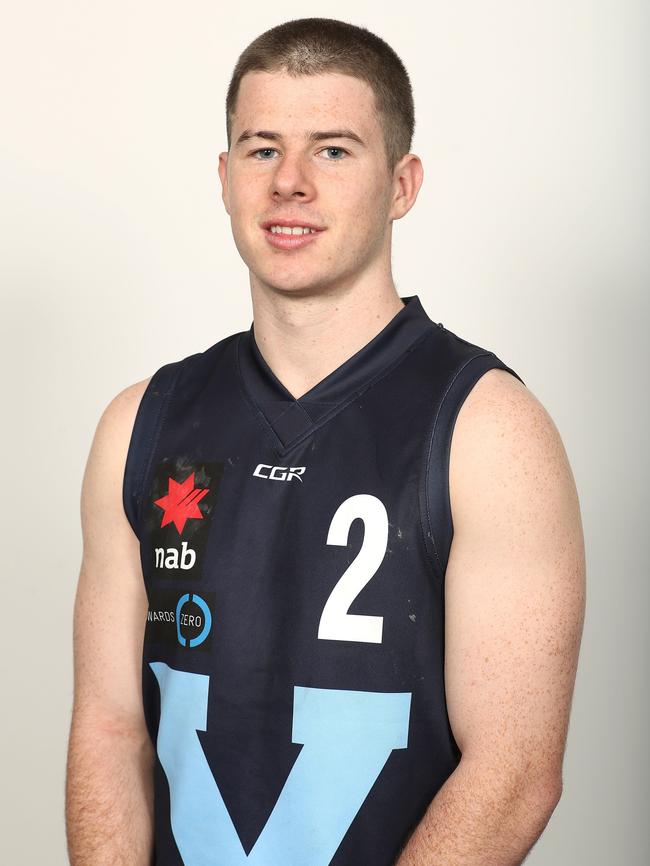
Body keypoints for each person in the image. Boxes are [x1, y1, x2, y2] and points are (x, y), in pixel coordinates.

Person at [65, 17, 586, 866]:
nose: (291, 184)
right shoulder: (140, 421)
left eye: (335, 150)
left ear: (402, 183)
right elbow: (110, 728)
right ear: (226, 175)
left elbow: (515, 773)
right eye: (262, 149)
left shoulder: (490, 430)